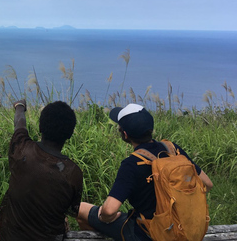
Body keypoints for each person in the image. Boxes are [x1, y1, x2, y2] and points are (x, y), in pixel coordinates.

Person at [77, 103, 213, 241]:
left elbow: (109, 210)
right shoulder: (172, 149)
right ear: (151, 130)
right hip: (182, 227)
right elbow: (207, 184)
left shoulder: (131, 164)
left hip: (148, 234)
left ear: (125, 134)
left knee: (80, 209)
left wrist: (105, 217)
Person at [0, 99, 83, 241]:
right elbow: (72, 210)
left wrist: (20, 106)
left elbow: (19, 123)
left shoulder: (21, 149)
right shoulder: (73, 172)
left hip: (10, 235)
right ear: (70, 135)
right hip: (49, 238)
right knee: (63, 221)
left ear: (40, 127)